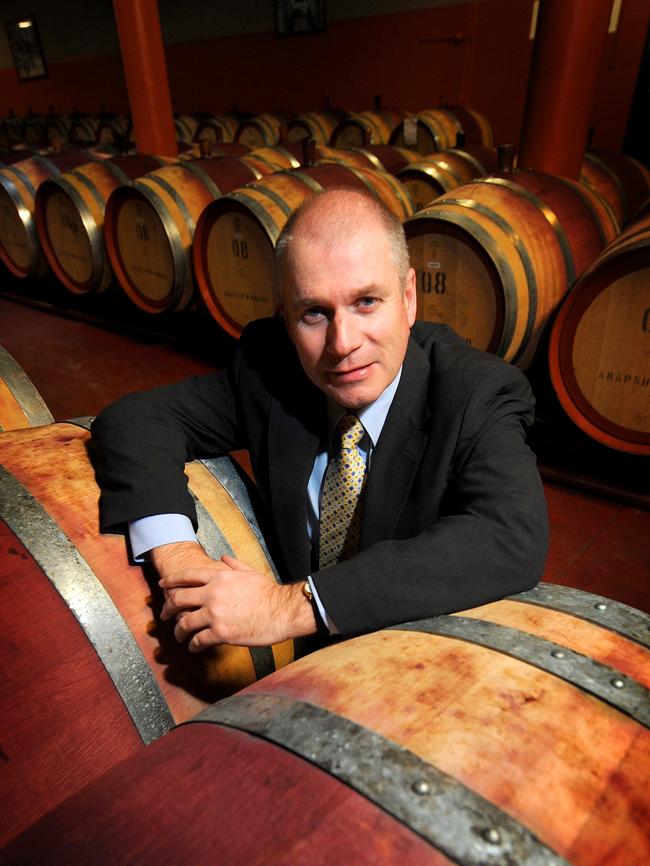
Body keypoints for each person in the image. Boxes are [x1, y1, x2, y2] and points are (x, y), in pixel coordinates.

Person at [91, 188, 548, 652]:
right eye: (314, 313)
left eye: (367, 301)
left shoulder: (476, 391)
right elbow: (136, 420)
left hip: (412, 659)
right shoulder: (268, 364)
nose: (343, 343)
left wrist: (286, 607)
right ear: (286, 319)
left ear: (408, 298)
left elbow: (510, 534)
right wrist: (180, 558)